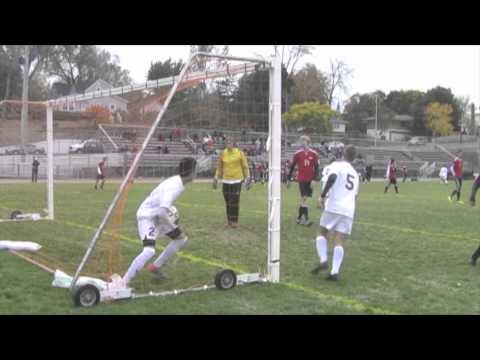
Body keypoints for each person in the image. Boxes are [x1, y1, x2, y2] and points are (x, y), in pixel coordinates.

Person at [123, 157, 197, 285]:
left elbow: (162, 211)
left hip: (156, 216)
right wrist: (172, 225)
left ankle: (155, 267)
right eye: (195, 170)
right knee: (149, 250)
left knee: (180, 239)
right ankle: (123, 282)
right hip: (147, 217)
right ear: (191, 172)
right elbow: (162, 212)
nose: (196, 173)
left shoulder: (177, 181)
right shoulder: (175, 186)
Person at [311, 145, 359, 281]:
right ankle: (334, 272)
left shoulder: (338, 166)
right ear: (354, 158)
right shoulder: (355, 174)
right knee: (339, 240)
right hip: (349, 209)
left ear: (343, 154)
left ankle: (323, 259)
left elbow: (332, 178)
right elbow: (355, 195)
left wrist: (322, 196)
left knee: (321, 232)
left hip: (334, 206)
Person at [213, 137, 251, 228]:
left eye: (230, 142)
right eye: (227, 142)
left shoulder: (240, 153)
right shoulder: (223, 153)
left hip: (237, 180)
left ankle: (235, 221)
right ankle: (229, 221)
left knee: (234, 201)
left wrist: (248, 177)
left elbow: (245, 166)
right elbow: (219, 167)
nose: (228, 143)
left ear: (234, 143)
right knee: (227, 202)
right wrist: (216, 177)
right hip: (226, 180)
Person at [287, 135, 319, 226]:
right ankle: (306, 219)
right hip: (301, 179)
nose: (301, 143)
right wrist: (289, 179)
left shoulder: (314, 154)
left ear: (308, 142)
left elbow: (317, 168)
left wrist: (314, 179)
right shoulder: (297, 154)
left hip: (310, 179)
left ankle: (299, 218)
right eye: (301, 141)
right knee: (304, 198)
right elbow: (292, 166)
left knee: (305, 199)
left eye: (303, 141)